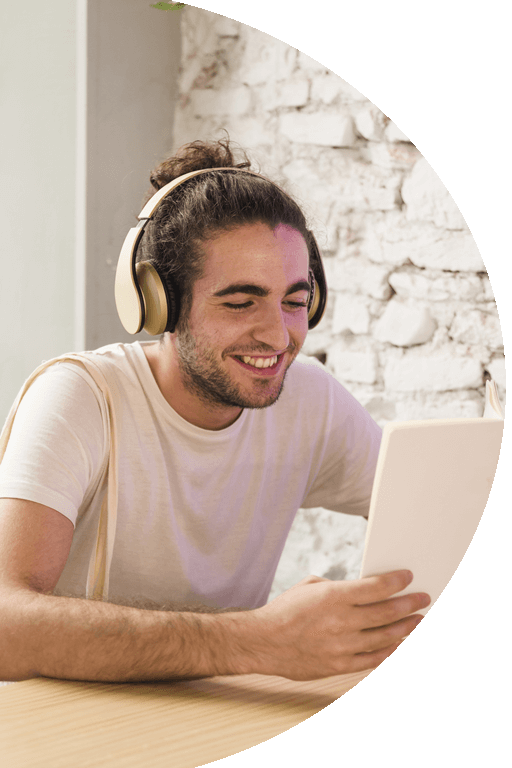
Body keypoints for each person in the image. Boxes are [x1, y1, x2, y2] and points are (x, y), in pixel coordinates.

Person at [0, 138, 430, 683]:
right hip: (73, 721)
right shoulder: (80, 398)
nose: (279, 336)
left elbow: (432, 510)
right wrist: (257, 641)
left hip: (221, 712)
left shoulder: (311, 400)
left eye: (295, 302)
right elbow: (5, 625)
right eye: (240, 303)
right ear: (160, 303)